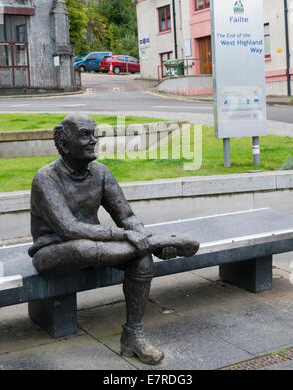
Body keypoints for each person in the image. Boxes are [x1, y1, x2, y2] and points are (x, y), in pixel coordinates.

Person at [28, 113, 199, 365]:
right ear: (64, 144)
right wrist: (144, 240)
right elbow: (69, 229)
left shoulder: (101, 173)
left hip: (100, 248)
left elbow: (127, 217)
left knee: (142, 260)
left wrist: (139, 235)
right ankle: (155, 243)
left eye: (94, 134)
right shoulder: (46, 178)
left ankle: (133, 336)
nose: (93, 140)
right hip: (53, 253)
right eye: (85, 135)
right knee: (84, 248)